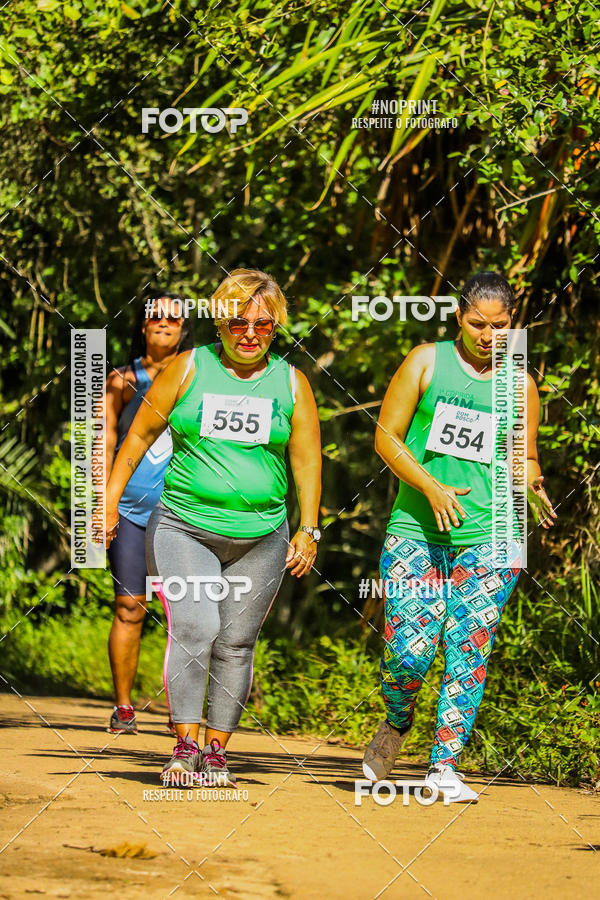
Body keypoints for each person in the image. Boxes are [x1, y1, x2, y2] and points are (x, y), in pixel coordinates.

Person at [104, 268, 322, 785]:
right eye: (238, 322)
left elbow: (308, 462)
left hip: (263, 536)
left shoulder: (293, 383)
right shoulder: (187, 368)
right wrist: (108, 503)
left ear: (277, 327)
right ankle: (184, 745)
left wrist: (309, 528)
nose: (250, 333)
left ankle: (217, 751)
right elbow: (136, 439)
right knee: (197, 627)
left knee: (237, 642)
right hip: (184, 527)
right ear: (220, 323)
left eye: (263, 325)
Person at [362, 272, 556, 803]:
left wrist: (533, 480)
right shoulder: (426, 361)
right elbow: (386, 439)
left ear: (512, 323)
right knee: (411, 649)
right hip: (416, 529)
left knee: (468, 646)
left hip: (495, 531)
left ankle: (444, 765)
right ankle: (396, 719)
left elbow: (524, 452)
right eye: (477, 324)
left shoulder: (520, 384)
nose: (489, 335)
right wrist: (431, 487)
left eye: (500, 326)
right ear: (458, 317)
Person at [104, 292, 192, 734]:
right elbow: (102, 440)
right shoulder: (121, 379)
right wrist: (100, 505)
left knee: (187, 615)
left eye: (174, 319)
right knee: (129, 606)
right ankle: (123, 707)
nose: (164, 323)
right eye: (156, 317)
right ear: (143, 326)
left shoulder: (197, 376)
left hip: (184, 513)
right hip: (130, 511)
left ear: (183, 329)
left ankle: (185, 714)